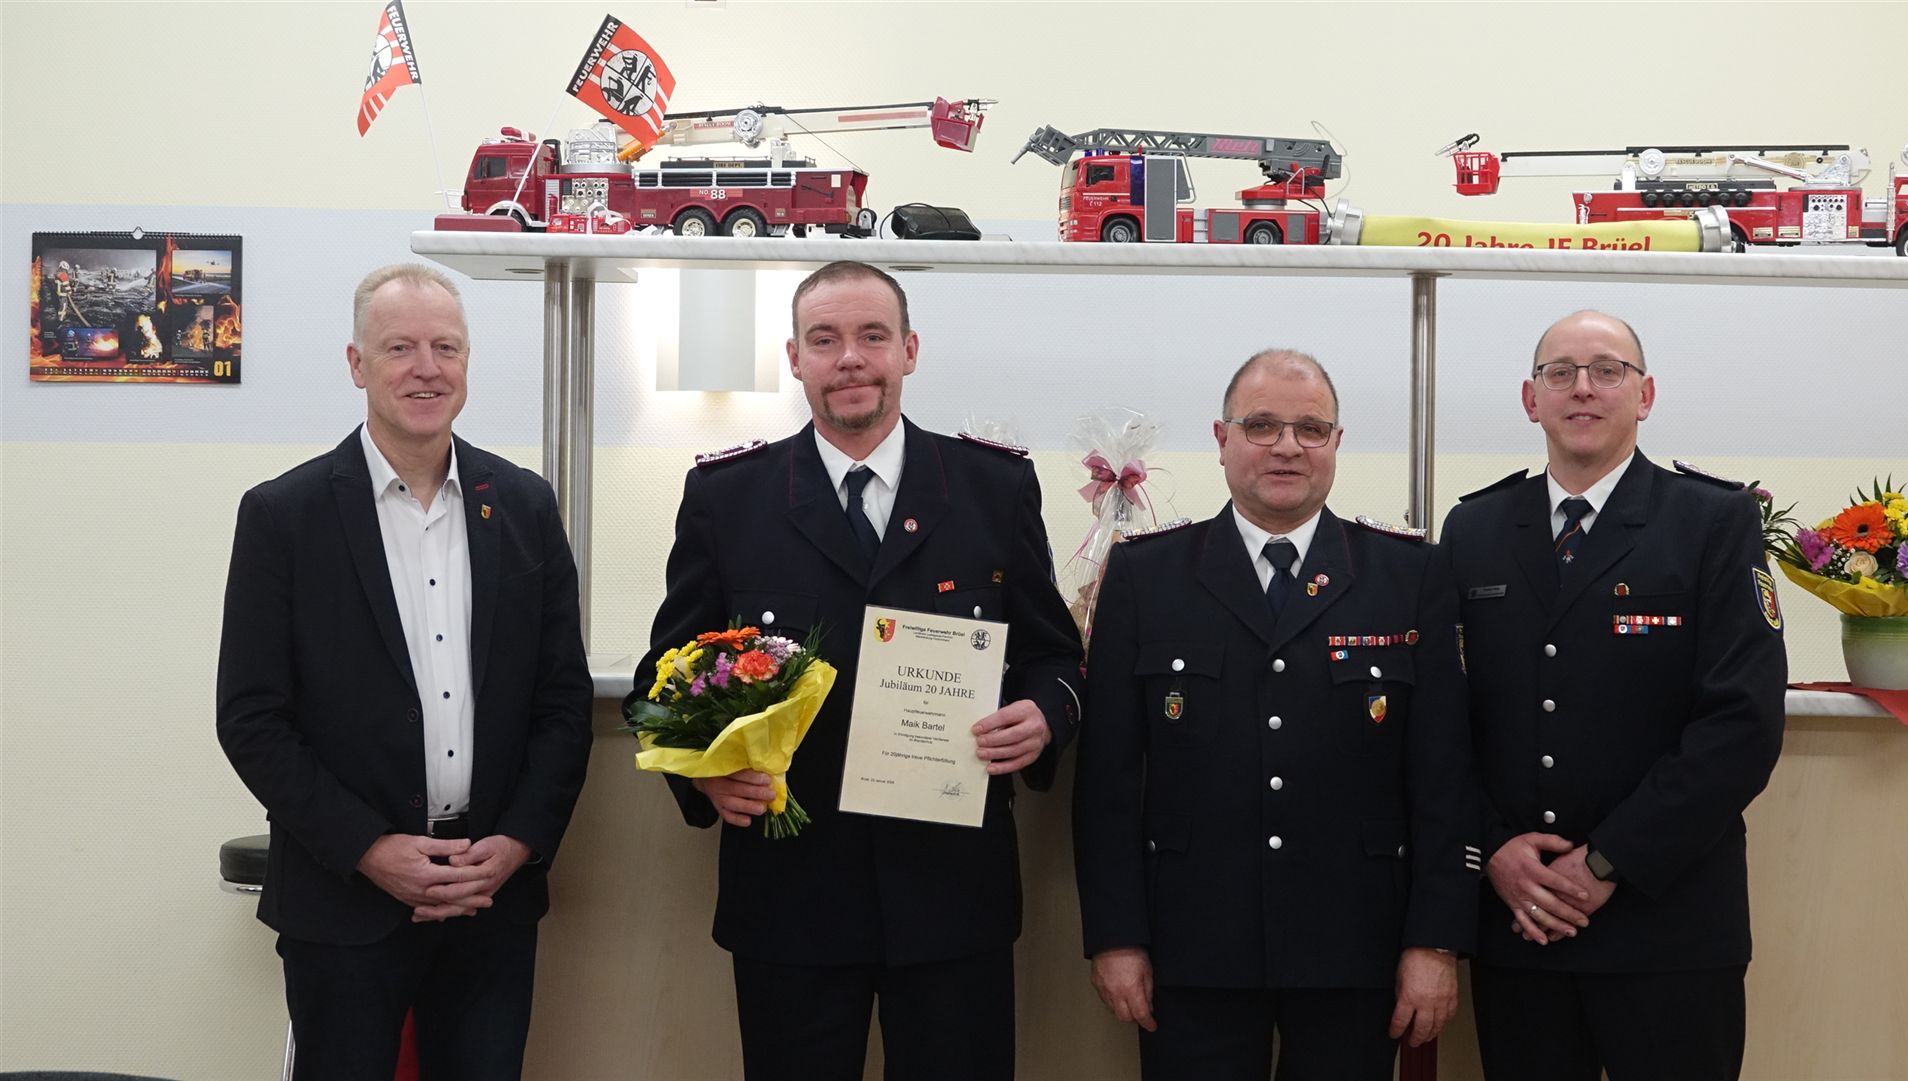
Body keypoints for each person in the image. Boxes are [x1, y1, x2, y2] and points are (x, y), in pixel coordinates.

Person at [634, 260, 1085, 1081]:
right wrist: (705, 775)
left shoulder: (993, 488)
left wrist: (1045, 715)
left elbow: (1053, 653)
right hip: (790, 901)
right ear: (794, 358)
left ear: (909, 350)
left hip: (953, 898)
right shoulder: (727, 497)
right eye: (824, 339)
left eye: (872, 336)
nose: (849, 358)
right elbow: (660, 686)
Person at [216, 263, 594, 1081]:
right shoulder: (284, 516)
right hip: (344, 900)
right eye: (400, 348)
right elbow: (251, 717)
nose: (427, 368)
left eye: (446, 347)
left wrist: (520, 841)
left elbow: (563, 699)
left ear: (467, 362)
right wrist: (369, 848)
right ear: (357, 364)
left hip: (490, 897)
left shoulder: (525, 505)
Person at [1074, 349, 1479, 1081]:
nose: (1287, 446)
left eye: (1310, 429)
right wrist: (1115, 937)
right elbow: (1107, 780)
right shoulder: (1147, 576)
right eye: (1261, 425)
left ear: (1336, 443)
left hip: (1357, 946)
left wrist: (1436, 941)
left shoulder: (1409, 575)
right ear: (1221, 438)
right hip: (1192, 944)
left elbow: (1443, 780)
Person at [1439, 310, 1786, 1081]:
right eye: (1559, 372)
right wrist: (1492, 848)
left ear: (1645, 394)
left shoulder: (1713, 520)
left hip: (1669, 928)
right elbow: (1444, 723)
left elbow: (1743, 722)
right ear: (1531, 398)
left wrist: (1607, 860)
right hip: (1522, 924)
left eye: (1607, 370)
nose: (1583, 388)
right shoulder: (1474, 529)